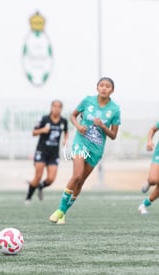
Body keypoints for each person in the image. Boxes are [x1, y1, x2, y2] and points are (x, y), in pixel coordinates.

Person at [49, 77, 121, 224]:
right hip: (81, 143)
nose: (104, 88)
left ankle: (64, 212)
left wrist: (102, 126)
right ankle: (59, 210)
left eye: (108, 86)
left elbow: (113, 136)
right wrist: (78, 126)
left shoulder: (115, 109)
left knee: (81, 181)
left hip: (96, 149)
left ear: (112, 90)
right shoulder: (88, 101)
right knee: (76, 175)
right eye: (101, 85)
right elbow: (72, 116)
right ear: (97, 88)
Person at [25, 100, 68, 203]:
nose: (56, 108)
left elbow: (66, 132)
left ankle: (40, 186)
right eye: (54, 106)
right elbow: (34, 132)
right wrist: (42, 130)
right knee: (38, 176)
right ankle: (28, 198)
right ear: (51, 107)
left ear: (61, 109)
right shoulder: (44, 119)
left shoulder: (63, 121)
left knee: (51, 179)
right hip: (42, 151)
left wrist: (65, 140)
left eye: (59, 107)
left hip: (53, 153)